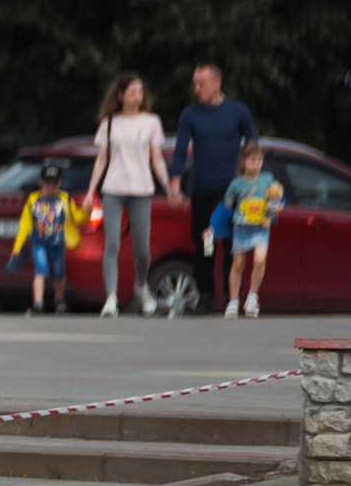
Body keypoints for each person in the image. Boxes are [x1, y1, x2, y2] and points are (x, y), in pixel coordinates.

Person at [169, 62, 257, 314]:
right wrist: (176, 184)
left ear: (217, 83)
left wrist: (252, 180)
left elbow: (252, 145)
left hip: (232, 192)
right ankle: (206, 294)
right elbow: (179, 152)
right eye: (195, 84)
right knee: (206, 244)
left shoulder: (237, 112)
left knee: (233, 245)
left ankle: (233, 297)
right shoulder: (191, 114)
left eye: (202, 84)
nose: (197, 89)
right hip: (203, 191)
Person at [81, 71, 170, 317]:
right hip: (113, 189)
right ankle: (111, 297)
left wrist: (169, 185)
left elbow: (157, 159)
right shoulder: (109, 123)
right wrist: (90, 192)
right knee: (112, 243)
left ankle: (141, 286)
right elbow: (101, 160)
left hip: (142, 189)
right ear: (120, 95)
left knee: (142, 248)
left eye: (140, 92)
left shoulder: (151, 122)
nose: (137, 97)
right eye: (132, 92)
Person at [218, 144, 285, 317]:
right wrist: (214, 226)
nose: (257, 164)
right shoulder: (237, 184)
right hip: (241, 228)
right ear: (243, 162)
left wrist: (277, 208)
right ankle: (233, 301)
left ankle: (252, 297)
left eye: (259, 160)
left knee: (260, 260)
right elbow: (226, 207)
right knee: (238, 264)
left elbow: (278, 197)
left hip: (261, 227)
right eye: (252, 160)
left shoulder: (268, 179)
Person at [13, 160, 79, 316]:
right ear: (41, 182)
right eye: (47, 183)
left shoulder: (64, 199)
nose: (51, 187)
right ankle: (38, 302)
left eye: (54, 183)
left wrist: (87, 213)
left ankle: (59, 300)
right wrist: (17, 247)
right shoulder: (33, 200)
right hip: (39, 242)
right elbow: (25, 225)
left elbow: (75, 216)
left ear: (60, 183)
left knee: (59, 272)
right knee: (40, 270)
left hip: (57, 242)